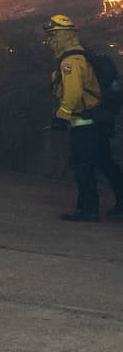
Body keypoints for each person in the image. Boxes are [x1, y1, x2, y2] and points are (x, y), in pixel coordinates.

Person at [43, 14, 123, 221]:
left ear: (65, 35)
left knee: (82, 165)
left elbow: (73, 91)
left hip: (85, 124)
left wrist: (62, 115)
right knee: (105, 163)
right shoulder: (80, 56)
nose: (50, 41)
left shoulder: (70, 61)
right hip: (98, 121)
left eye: (53, 35)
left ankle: (88, 209)